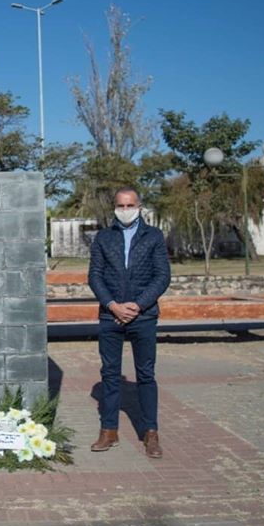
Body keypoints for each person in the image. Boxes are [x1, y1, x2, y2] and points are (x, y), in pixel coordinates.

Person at [87, 187, 171, 459]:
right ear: (114, 207)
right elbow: (95, 276)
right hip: (110, 316)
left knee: (145, 375)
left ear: (139, 206)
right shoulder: (103, 237)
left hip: (143, 316)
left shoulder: (154, 236)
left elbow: (162, 276)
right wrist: (112, 305)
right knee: (110, 374)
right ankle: (108, 430)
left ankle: (150, 433)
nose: (125, 210)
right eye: (121, 206)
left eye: (130, 205)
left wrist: (139, 304)